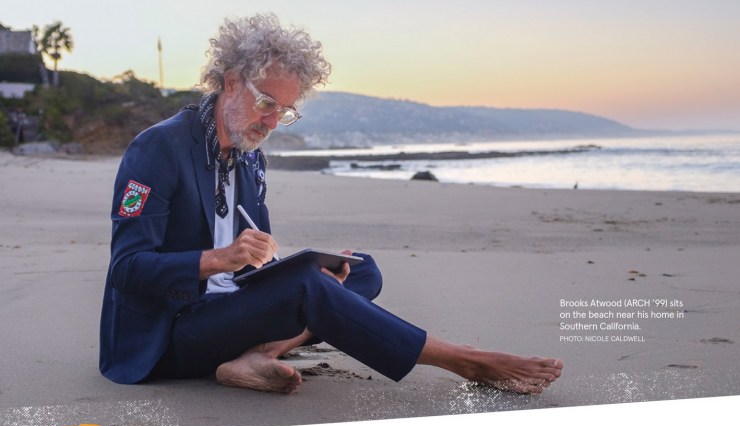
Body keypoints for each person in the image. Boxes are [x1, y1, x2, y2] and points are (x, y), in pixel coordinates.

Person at [99, 13, 562, 396]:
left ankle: (258, 355)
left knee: (361, 271)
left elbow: (254, 258)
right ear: (231, 81)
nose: (273, 121)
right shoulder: (157, 149)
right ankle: (467, 361)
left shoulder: (249, 155)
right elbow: (127, 268)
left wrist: (288, 267)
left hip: (227, 312)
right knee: (309, 288)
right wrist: (218, 260)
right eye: (266, 103)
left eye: (285, 111)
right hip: (169, 335)